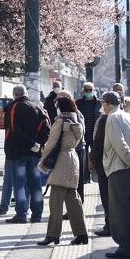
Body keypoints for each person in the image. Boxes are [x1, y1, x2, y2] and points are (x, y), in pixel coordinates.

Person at [37, 97, 88, 246]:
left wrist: (43, 162)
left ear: (60, 107)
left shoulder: (60, 121)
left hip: (61, 160)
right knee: (73, 199)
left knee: (55, 201)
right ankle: (81, 234)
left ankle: (53, 235)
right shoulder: (76, 121)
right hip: (73, 157)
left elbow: (51, 143)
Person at [102, 92, 130, 259]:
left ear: (108, 104)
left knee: (119, 209)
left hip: (119, 170)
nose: (103, 107)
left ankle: (125, 247)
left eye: (103, 104)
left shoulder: (112, 118)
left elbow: (119, 144)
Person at [4, 85, 50, 224]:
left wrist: (31, 144)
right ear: (26, 94)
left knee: (19, 185)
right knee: (35, 184)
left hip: (17, 153)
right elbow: (47, 128)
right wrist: (37, 144)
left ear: (14, 95)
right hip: (34, 153)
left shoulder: (13, 108)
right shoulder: (37, 108)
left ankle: (21, 214)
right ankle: (37, 215)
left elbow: (14, 131)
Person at [89, 110, 111, 237]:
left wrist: (92, 158)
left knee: (106, 197)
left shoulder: (104, 120)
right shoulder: (128, 118)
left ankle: (109, 225)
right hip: (122, 166)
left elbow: (98, 141)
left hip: (104, 164)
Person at [76, 82, 102, 183]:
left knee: (96, 154)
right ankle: (85, 177)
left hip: (96, 133)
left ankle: (97, 176)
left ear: (93, 90)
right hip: (83, 133)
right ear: (83, 90)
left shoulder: (99, 103)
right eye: (86, 90)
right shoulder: (78, 103)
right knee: (83, 155)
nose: (88, 92)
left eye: (90, 90)